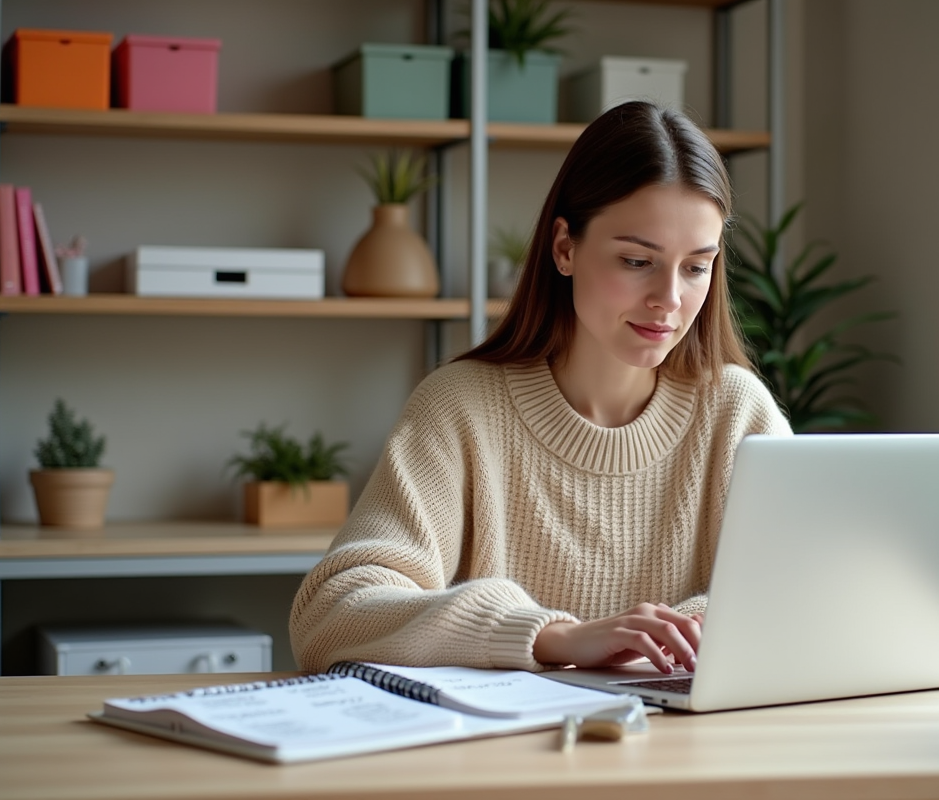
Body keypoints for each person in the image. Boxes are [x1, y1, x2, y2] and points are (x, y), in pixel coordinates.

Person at [289, 100, 791, 677]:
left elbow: (806, 591)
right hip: (504, 762)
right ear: (564, 247)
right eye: (636, 260)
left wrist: (676, 631)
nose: (669, 299)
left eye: (696, 266)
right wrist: (552, 636)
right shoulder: (460, 409)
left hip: (687, 756)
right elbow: (331, 613)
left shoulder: (737, 411)